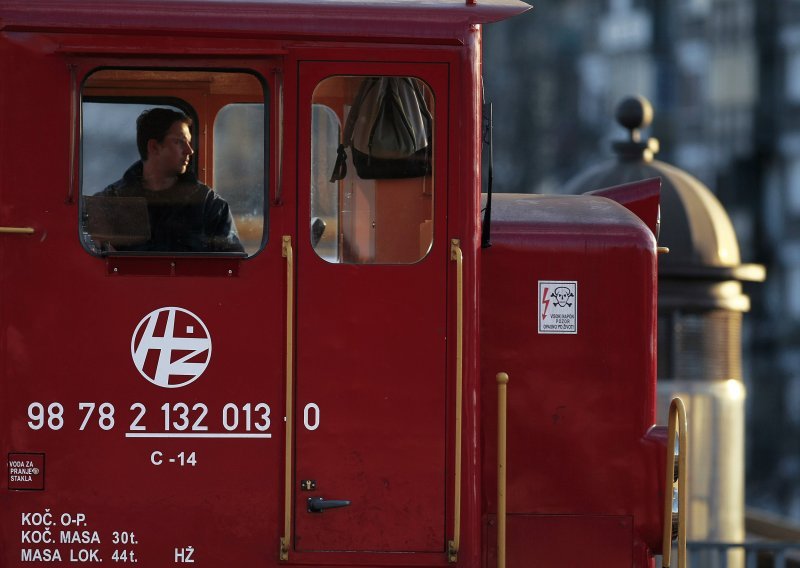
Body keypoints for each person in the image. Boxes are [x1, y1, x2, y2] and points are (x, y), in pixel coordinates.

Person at [97, 108, 244, 253]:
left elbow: (232, 264)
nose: (189, 150)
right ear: (154, 147)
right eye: (180, 142)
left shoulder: (210, 206)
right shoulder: (110, 202)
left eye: (189, 142)